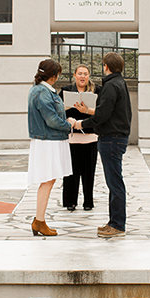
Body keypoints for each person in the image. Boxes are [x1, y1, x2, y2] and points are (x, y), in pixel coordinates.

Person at [72, 52, 132, 238]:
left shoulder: (111, 85)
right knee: (113, 182)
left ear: (106, 66)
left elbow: (102, 115)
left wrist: (81, 123)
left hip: (111, 139)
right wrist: (89, 112)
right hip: (116, 137)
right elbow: (108, 111)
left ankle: (117, 225)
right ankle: (114, 222)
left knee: (115, 183)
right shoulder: (119, 83)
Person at [27, 59, 73, 237]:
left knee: (49, 179)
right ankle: (39, 221)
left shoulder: (40, 89)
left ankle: (40, 220)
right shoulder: (42, 91)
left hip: (50, 140)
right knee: (47, 180)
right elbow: (51, 119)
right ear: (54, 76)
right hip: (49, 141)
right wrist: (68, 125)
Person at [60, 65, 101, 212]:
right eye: (80, 74)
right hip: (71, 137)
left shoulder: (96, 91)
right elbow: (58, 111)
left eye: (85, 74)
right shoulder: (65, 91)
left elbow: (102, 112)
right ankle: (70, 202)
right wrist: (68, 116)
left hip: (90, 137)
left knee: (88, 172)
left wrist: (86, 111)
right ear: (74, 75)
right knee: (70, 172)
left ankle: (88, 202)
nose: (82, 76)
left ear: (89, 76)